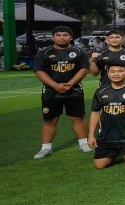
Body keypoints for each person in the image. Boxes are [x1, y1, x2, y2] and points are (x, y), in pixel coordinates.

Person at [33, 26, 91, 158]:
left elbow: (84, 69)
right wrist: (55, 85)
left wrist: (70, 84)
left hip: (74, 90)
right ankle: (46, 148)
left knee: (78, 118)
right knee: (50, 120)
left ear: (71, 37)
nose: (62, 37)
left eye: (65, 35)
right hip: (51, 91)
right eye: (58, 35)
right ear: (53, 37)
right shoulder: (43, 53)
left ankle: (84, 144)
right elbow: (39, 71)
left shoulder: (79, 52)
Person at [88, 63, 125, 169]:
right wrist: (91, 135)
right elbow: (95, 113)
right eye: (113, 72)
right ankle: (115, 151)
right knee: (99, 165)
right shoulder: (100, 91)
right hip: (106, 136)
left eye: (120, 71)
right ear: (108, 74)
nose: (116, 74)